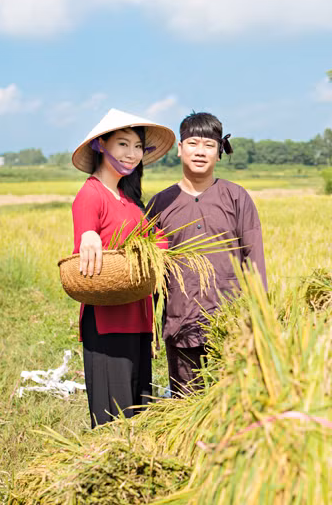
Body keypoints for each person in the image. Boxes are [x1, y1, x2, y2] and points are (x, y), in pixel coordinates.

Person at [147, 111, 267, 397]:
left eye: (209, 145)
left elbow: (255, 261)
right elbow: (150, 273)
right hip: (181, 326)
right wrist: (147, 326)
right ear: (180, 149)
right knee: (186, 410)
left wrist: (260, 319)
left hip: (231, 324)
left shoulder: (236, 197)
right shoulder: (160, 204)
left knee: (235, 406)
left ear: (219, 152)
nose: (200, 152)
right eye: (193, 143)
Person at [70, 108, 176, 428]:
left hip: (139, 318)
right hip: (109, 319)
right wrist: (89, 235)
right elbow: (86, 231)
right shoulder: (91, 193)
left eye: (137, 147)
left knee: (139, 414)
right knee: (113, 420)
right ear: (101, 145)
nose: (132, 155)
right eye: (122, 144)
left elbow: (160, 244)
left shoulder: (129, 199)